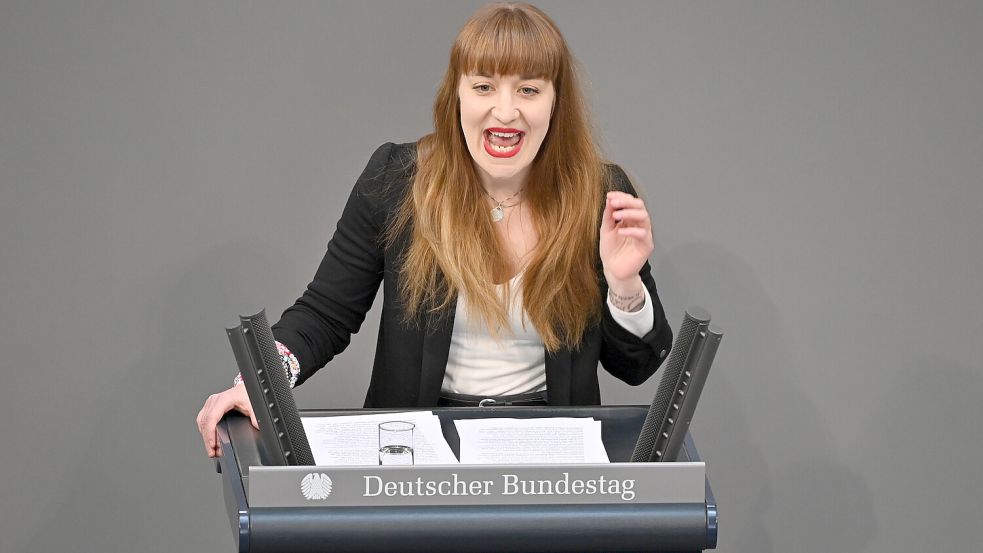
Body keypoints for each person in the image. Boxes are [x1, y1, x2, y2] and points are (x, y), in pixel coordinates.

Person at [197, 2, 673, 458]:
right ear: (457, 96)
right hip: (419, 447)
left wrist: (624, 285)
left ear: (555, 103)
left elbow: (637, 367)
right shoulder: (396, 179)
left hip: (547, 450)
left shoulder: (600, 193)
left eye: (528, 89)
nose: (505, 112)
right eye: (484, 86)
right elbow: (325, 314)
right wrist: (256, 385)